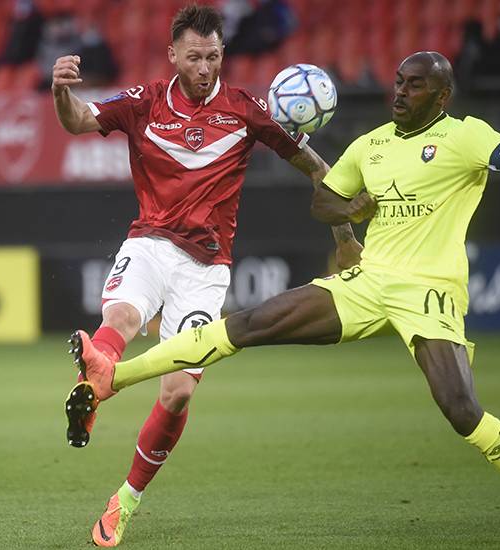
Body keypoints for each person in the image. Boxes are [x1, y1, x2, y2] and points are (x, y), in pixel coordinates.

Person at [66, 51, 500, 550]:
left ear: (442, 95)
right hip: (367, 283)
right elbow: (324, 198)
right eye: (399, 82)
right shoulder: (372, 145)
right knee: (249, 324)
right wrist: (349, 209)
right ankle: (113, 377)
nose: (401, 92)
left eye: (415, 85)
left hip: (428, 290)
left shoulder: (466, 136)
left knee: (461, 410)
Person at [53, 4, 362, 547]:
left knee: (175, 394)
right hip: (149, 243)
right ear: (173, 55)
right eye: (194, 57)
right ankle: (96, 379)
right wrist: (60, 90)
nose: (204, 67)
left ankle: (123, 500)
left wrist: (345, 238)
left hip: (206, 270)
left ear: (224, 55)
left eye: (213, 56)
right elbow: (78, 119)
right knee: (121, 313)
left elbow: (319, 170)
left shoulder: (247, 111)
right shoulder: (143, 103)